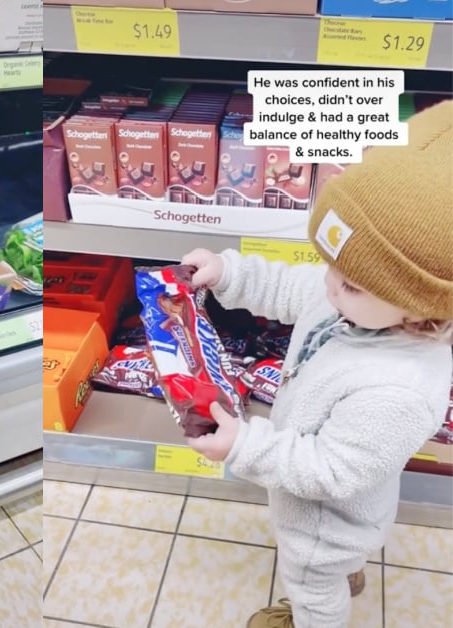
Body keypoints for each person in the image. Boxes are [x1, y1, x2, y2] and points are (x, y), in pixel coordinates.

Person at [182, 100, 452, 628]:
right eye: (331, 264)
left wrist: (243, 444)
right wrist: (226, 274)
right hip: (344, 504)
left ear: (423, 305)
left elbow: (331, 470)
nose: (330, 284)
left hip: (324, 520)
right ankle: (348, 571)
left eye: (348, 281)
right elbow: (293, 287)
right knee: (335, 565)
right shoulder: (358, 300)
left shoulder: (401, 387)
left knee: (310, 583)